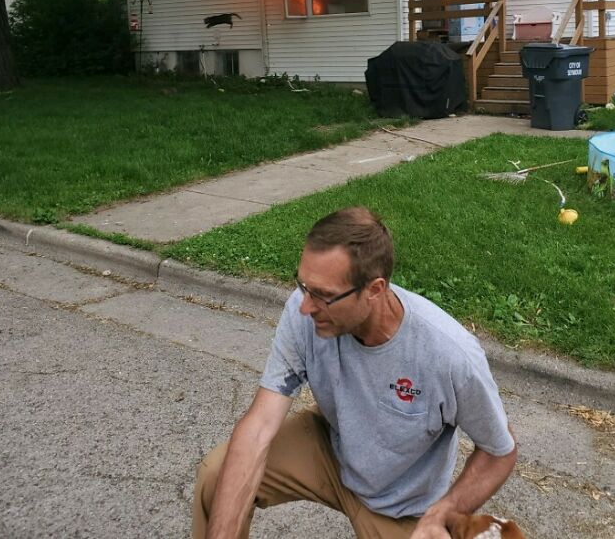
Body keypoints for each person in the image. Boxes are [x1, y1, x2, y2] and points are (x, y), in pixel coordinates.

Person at [193, 207, 517, 539]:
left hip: (403, 507)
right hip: (332, 451)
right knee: (217, 477)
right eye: (304, 285)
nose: (306, 305)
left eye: (324, 295)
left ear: (375, 290)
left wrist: (443, 513)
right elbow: (259, 426)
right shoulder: (304, 309)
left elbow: (499, 452)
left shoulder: (451, 356)